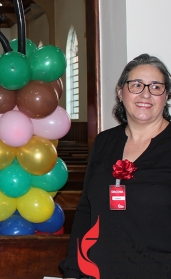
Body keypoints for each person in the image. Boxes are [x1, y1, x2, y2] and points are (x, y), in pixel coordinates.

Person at [60, 54, 171, 278]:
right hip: (99, 270)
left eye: (156, 87)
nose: (146, 94)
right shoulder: (104, 142)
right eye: (136, 85)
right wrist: (73, 269)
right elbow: (86, 210)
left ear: (166, 95)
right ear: (121, 92)